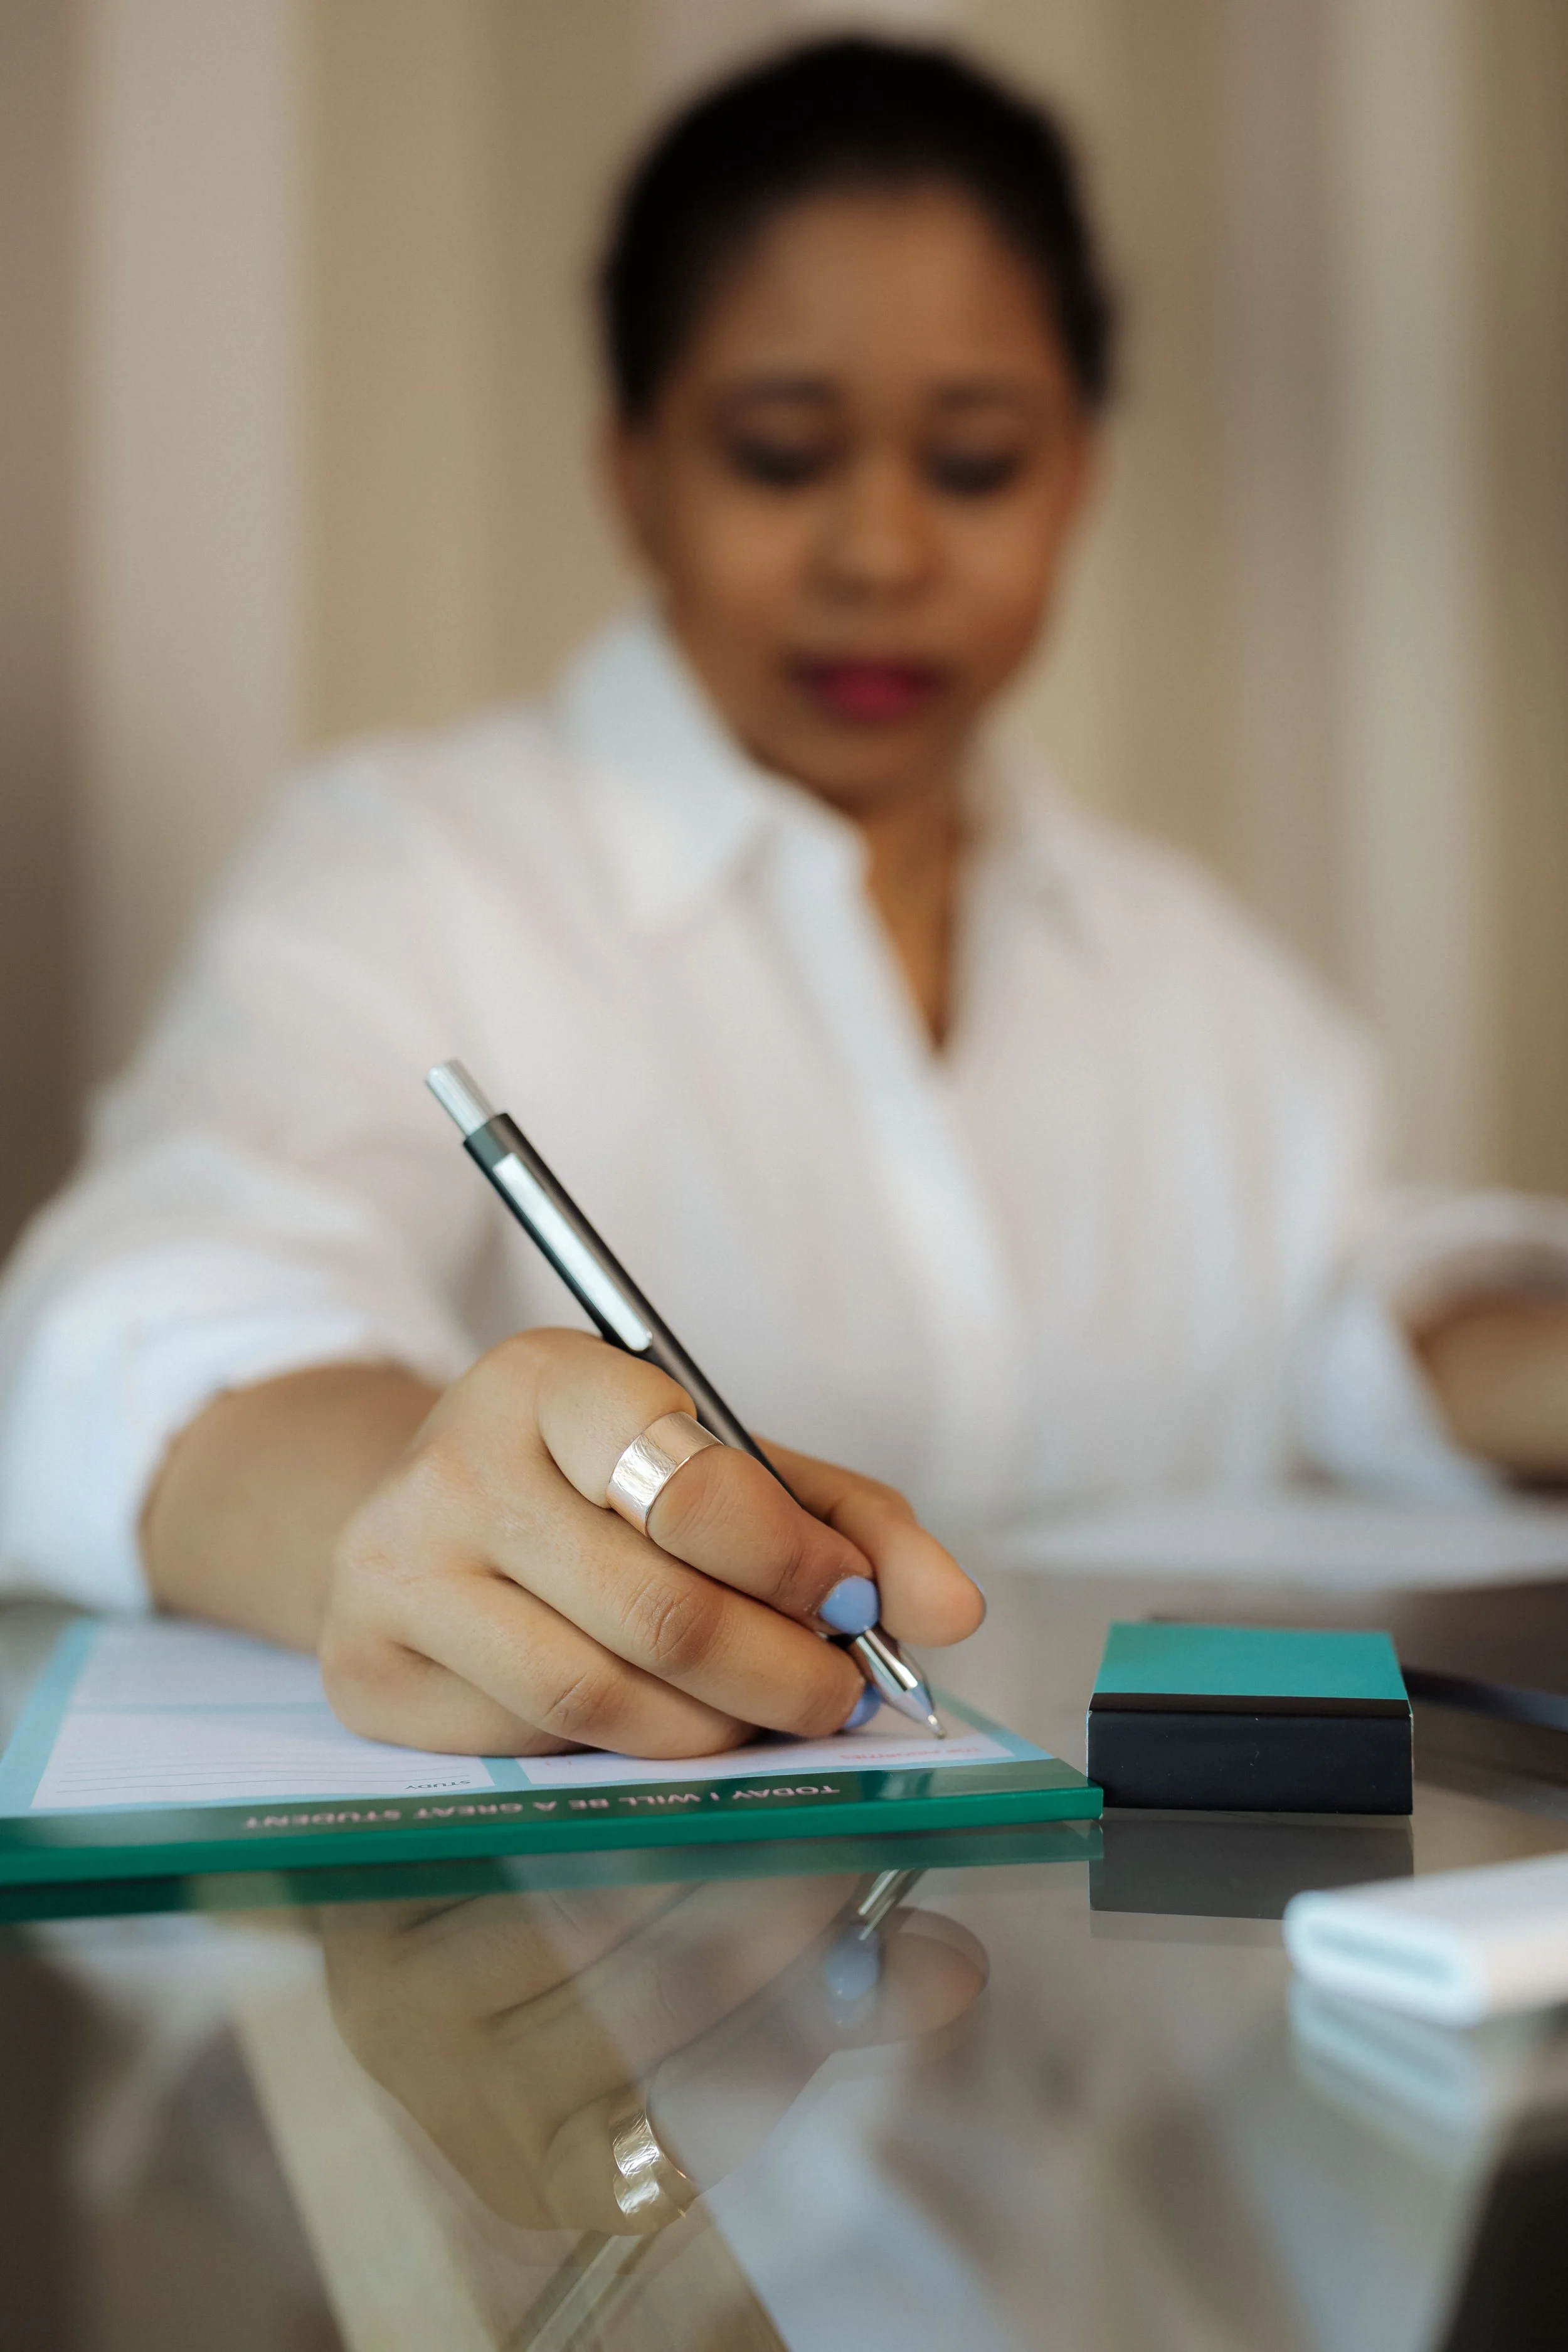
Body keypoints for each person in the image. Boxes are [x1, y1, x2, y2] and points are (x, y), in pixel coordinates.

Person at [1, 37, 1565, 1761]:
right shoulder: (407, 872)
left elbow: (1344, 1303)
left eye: (972, 463)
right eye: (776, 453)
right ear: (633, 469)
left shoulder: (1194, 972)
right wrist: (394, 1495)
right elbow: (130, 1317)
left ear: (1076, 477)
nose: (880, 552)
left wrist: (1499, 1349)